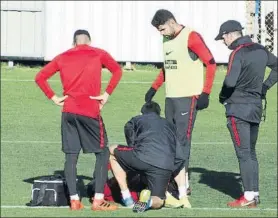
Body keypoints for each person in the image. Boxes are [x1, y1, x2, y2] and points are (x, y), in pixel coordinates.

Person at [35, 29, 123, 211]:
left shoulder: (63, 56)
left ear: (74, 43)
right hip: (90, 111)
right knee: (103, 153)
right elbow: (117, 71)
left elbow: (40, 77)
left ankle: (74, 200)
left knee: (71, 156)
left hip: (68, 112)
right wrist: (106, 94)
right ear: (89, 41)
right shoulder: (98, 53)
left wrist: (54, 97)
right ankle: (98, 200)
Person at [144, 9, 217, 201]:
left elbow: (210, 63)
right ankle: (173, 182)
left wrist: (206, 92)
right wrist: (154, 88)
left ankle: (183, 187)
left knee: (182, 142)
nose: (161, 33)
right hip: (171, 98)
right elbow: (167, 66)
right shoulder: (166, 39)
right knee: (170, 141)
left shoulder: (191, 37)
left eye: (162, 29)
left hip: (188, 97)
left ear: (171, 22)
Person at [215, 20, 277, 208]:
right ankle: (254, 194)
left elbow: (230, 82)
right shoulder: (260, 50)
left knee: (243, 154)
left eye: (223, 37)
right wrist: (264, 87)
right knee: (251, 153)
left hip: (238, 109)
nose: (223, 41)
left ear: (231, 34)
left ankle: (248, 195)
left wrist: (223, 97)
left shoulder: (237, 53)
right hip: (256, 107)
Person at [109, 101, 189, 212]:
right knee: (159, 200)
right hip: (163, 166)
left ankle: (127, 198)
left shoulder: (137, 119)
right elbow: (180, 158)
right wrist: (182, 192)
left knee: (111, 151)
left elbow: (128, 130)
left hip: (142, 157)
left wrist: (134, 148)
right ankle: (150, 202)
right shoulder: (170, 125)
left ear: (142, 113)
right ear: (159, 113)